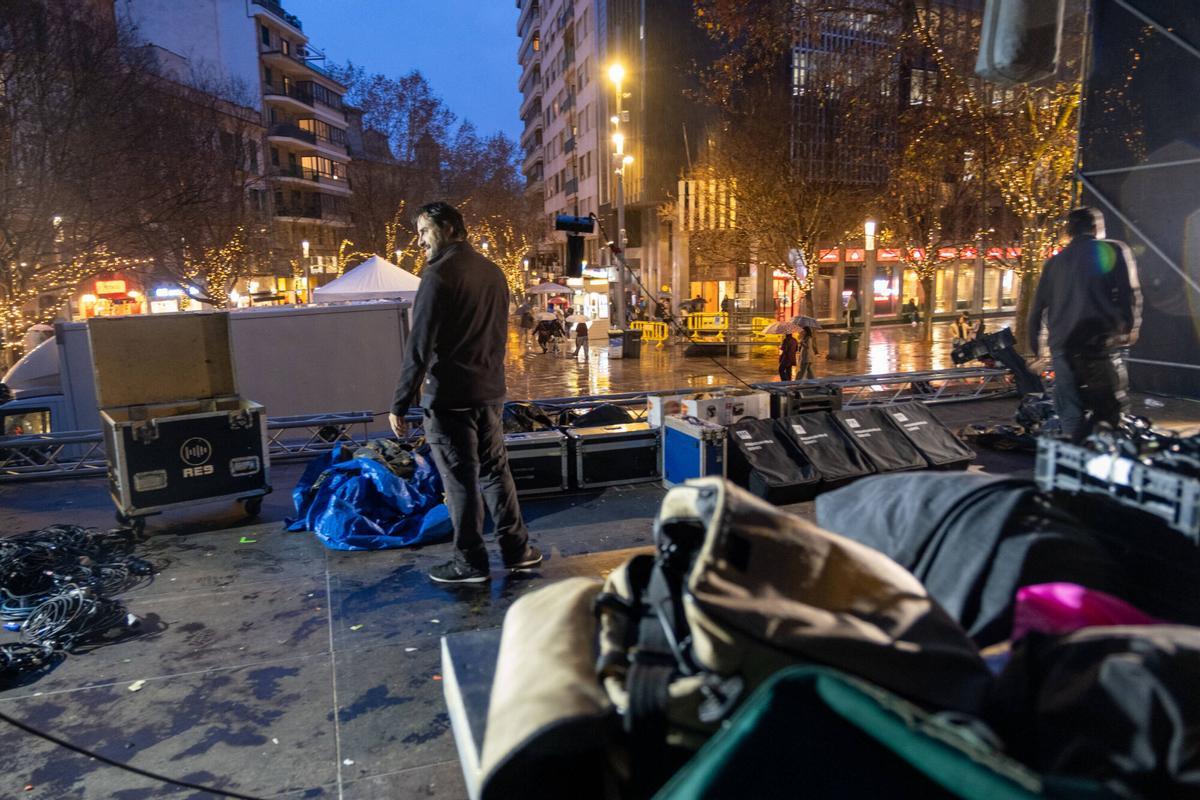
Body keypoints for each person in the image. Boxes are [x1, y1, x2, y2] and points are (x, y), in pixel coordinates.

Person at [390, 201, 541, 584]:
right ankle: (517, 550)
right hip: (489, 392)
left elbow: (419, 346)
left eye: (425, 231)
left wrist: (400, 401)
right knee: (495, 473)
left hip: (450, 398)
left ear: (450, 228)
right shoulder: (493, 272)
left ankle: (470, 563)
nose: (420, 240)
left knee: (460, 481)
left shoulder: (438, 276)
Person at [1028, 207, 1140, 441]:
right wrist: (1128, 327)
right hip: (1096, 344)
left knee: (1069, 410)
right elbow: (1128, 294)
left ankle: (1071, 455)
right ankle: (1094, 454)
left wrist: (1035, 351)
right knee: (1110, 408)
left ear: (1069, 231)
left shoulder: (1054, 263)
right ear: (1095, 228)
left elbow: (1036, 310)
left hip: (1062, 347)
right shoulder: (1110, 251)